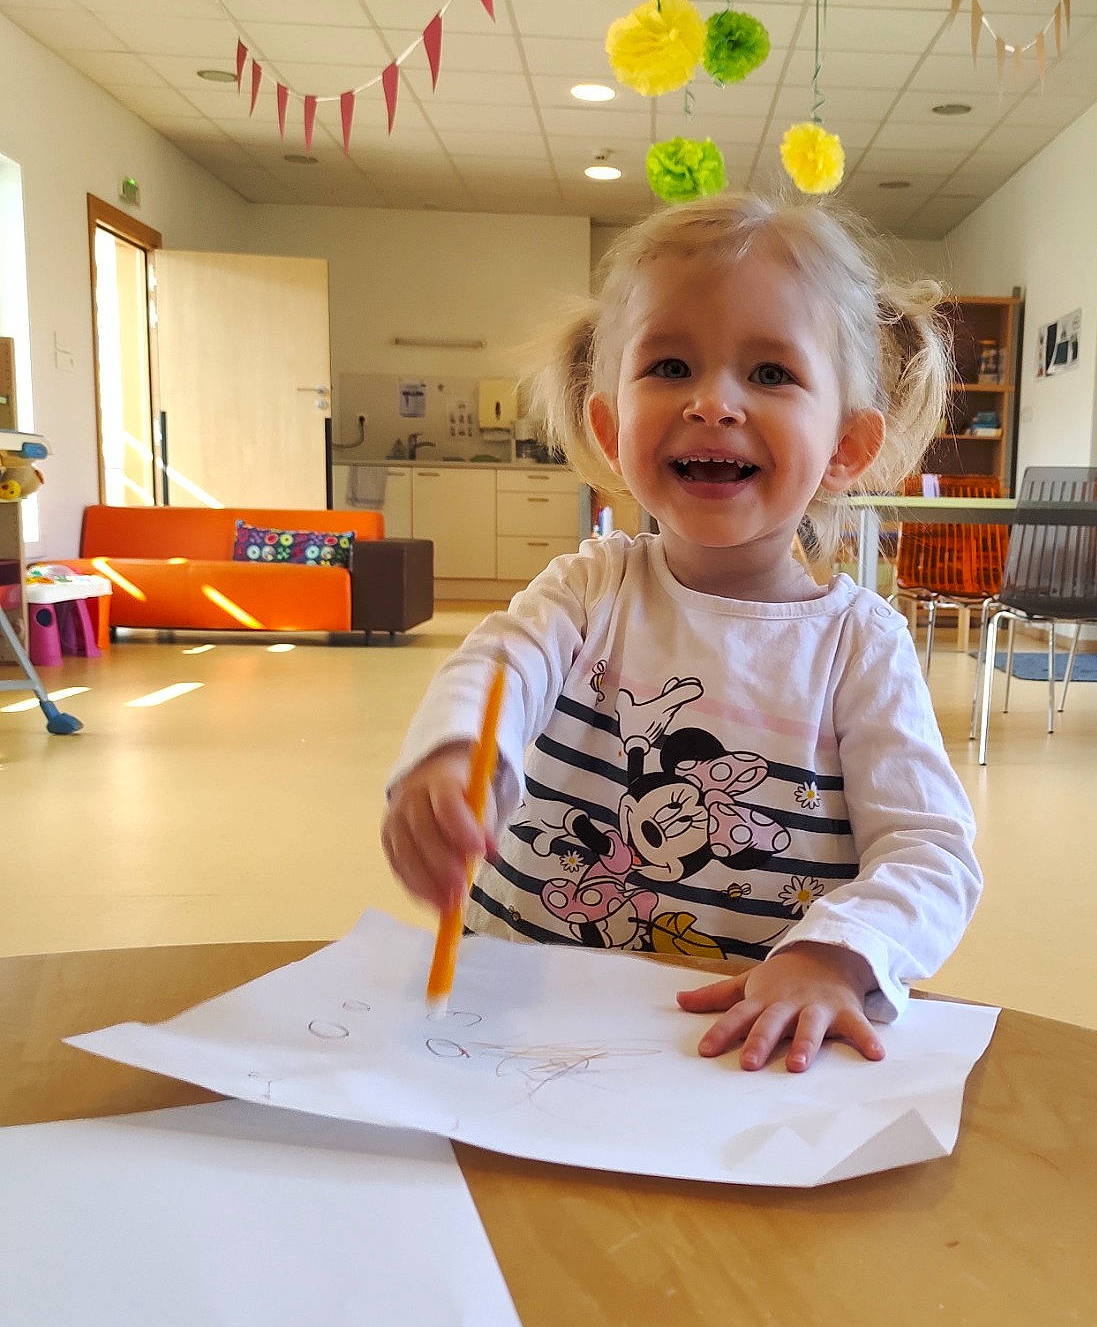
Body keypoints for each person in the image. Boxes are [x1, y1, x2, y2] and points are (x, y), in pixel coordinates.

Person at [382, 191, 981, 1073]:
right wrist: (454, 756)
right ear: (610, 426)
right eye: (669, 366)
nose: (713, 403)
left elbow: (931, 855)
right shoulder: (589, 588)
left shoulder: (860, 648)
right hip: (514, 1021)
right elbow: (498, 665)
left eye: (771, 374)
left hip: (718, 1063)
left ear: (847, 447)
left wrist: (837, 957)